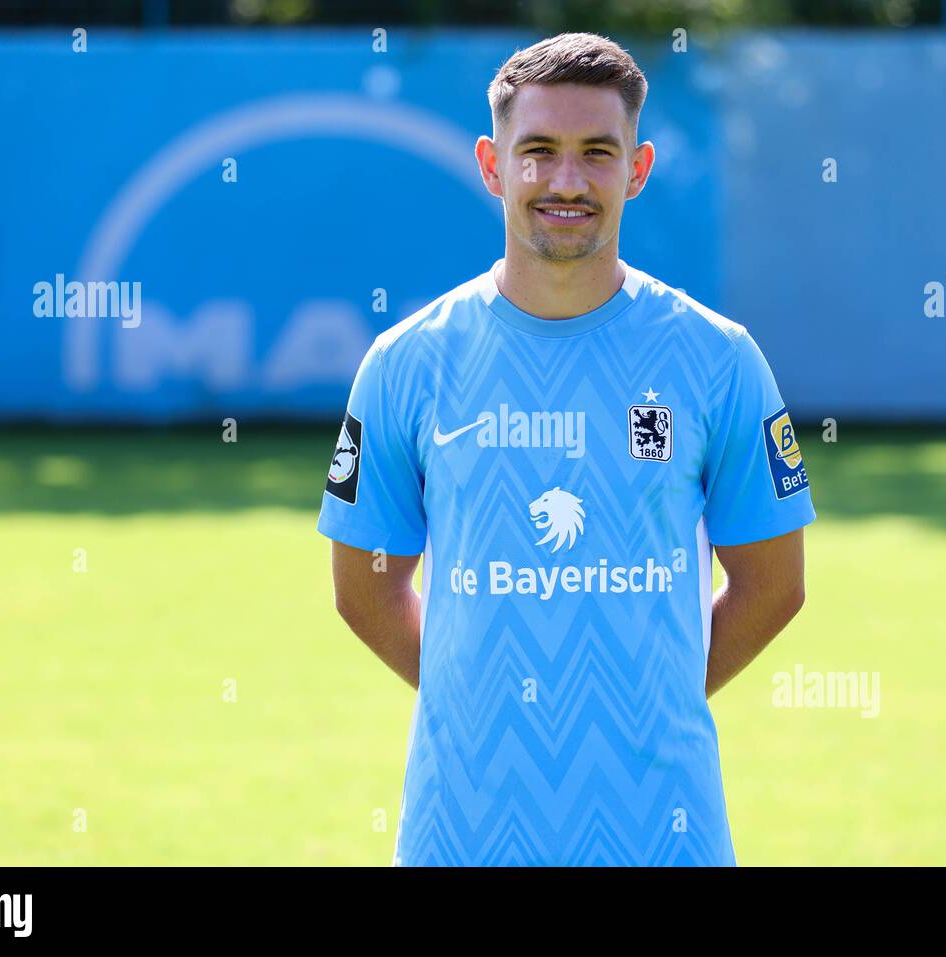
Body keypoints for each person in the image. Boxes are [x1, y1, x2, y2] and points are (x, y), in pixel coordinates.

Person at [318, 32, 814, 866]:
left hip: (664, 835)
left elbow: (775, 584)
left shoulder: (718, 358)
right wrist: (475, 705)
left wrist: (649, 709)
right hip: (461, 835)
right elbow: (363, 590)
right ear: (491, 163)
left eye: (597, 153)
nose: (566, 181)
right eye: (538, 151)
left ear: (639, 167)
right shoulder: (406, 363)